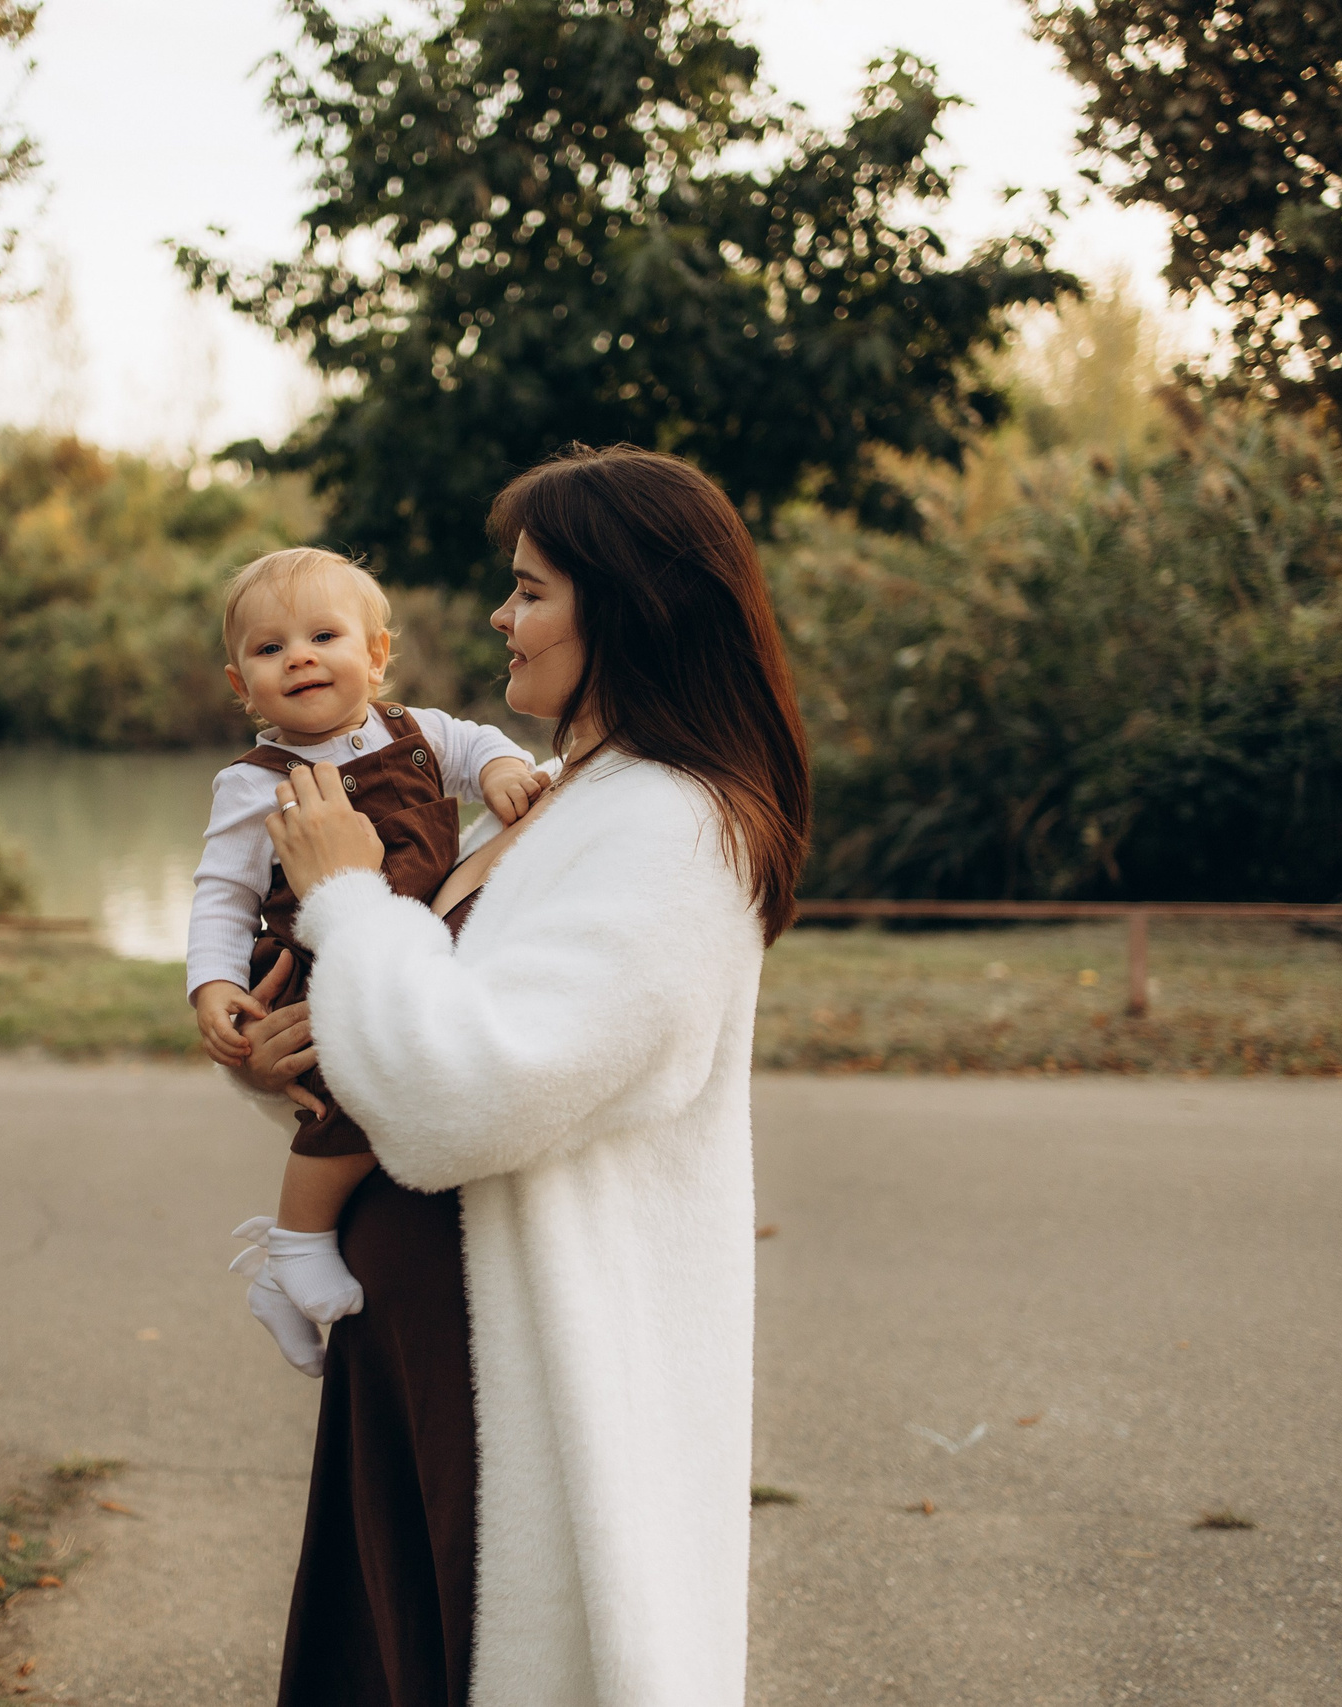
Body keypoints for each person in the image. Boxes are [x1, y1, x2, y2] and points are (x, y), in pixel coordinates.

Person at [234, 445, 810, 1706]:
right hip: (424, 1355)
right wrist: (278, 1038)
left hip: (514, 1378)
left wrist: (341, 891)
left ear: (629, 603)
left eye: (532, 590)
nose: (502, 617)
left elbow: (469, 1094)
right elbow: (426, 1017)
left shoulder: (674, 825)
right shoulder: (554, 803)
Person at [188, 547, 544, 1375]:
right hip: (312, 957)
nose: (300, 657)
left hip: (401, 952)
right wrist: (214, 984)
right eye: (270, 649)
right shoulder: (252, 783)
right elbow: (219, 893)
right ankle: (296, 1245)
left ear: (376, 655)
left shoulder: (423, 732)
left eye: (323, 634)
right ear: (242, 686)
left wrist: (501, 770)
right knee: (345, 1100)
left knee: (389, 1087)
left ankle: (291, 1257)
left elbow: (485, 743)